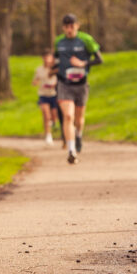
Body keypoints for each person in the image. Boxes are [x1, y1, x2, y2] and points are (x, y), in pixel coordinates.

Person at [54, 14, 103, 164]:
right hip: (64, 84)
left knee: (79, 119)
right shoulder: (59, 42)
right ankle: (71, 150)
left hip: (81, 84)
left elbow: (99, 60)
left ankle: (79, 135)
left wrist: (83, 64)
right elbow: (56, 59)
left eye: (72, 26)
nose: (69, 29)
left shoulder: (86, 40)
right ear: (63, 27)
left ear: (77, 25)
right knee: (68, 116)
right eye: (66, 26)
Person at [32, 48, 62, 145]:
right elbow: (35, 80)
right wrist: (35, 82)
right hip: (43, 94)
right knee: (46, 114)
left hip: (54, 94)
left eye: (49, 57)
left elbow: (61, 79)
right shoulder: (39, 69)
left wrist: (55, 85)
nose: (47, 60)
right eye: (45, 58)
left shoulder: (55, 68)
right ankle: (48, 135)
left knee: (54, 115)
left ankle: (53, 122)